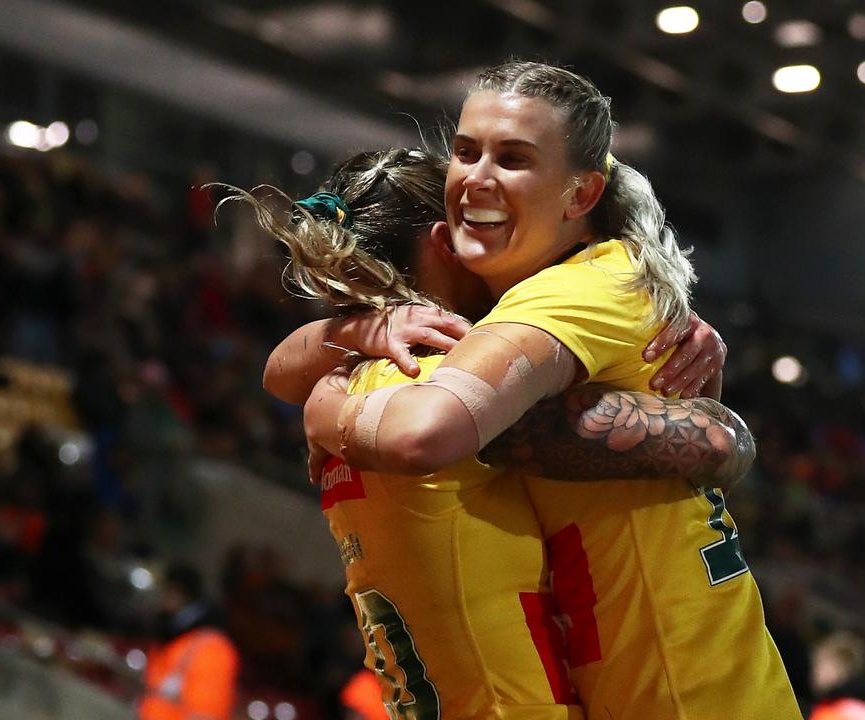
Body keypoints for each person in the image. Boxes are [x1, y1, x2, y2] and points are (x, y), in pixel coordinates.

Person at [303, 61, 799, 718]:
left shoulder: (568, 296)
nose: (477, 179)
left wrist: (324, 403)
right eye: (466, 152)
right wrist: (720, 435)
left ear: (581, 195)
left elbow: (425, 429)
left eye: (511, 159)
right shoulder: (434, 359)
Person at [228, 145, 752, 719]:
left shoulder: (352, 378)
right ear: (447, 243)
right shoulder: (451, 400)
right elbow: (716, 442)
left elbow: (279, 372)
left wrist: (329, 396)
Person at [138, 564, 239, 720]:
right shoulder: (172, 633)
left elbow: (207, 713)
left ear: (175, 592)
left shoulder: (212, 648)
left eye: (165, 591)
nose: (160, 599)